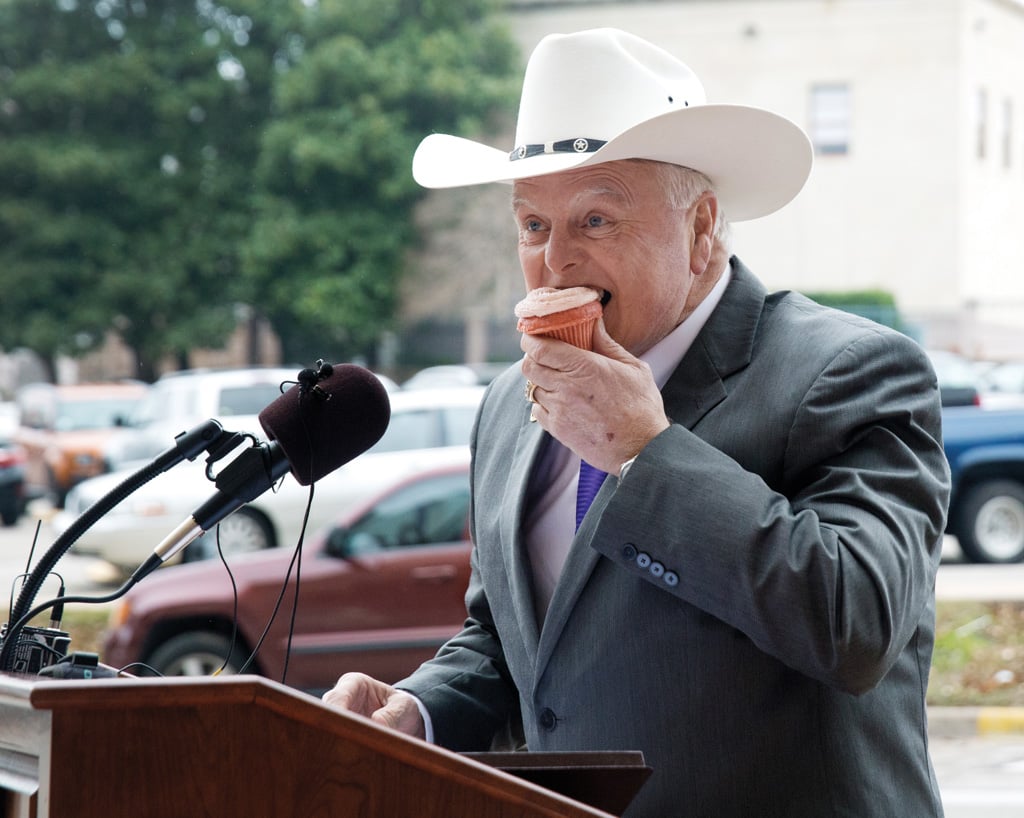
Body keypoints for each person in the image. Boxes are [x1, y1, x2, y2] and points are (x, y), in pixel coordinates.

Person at [323, 28, 951, 817]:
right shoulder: (509, 405)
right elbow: (514, 640)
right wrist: (417, 710)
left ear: (699, 232)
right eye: (532, 225)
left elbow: (855, 624)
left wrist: (642, 452)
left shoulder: (848, 371)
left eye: (595, 220)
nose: (554, 263)